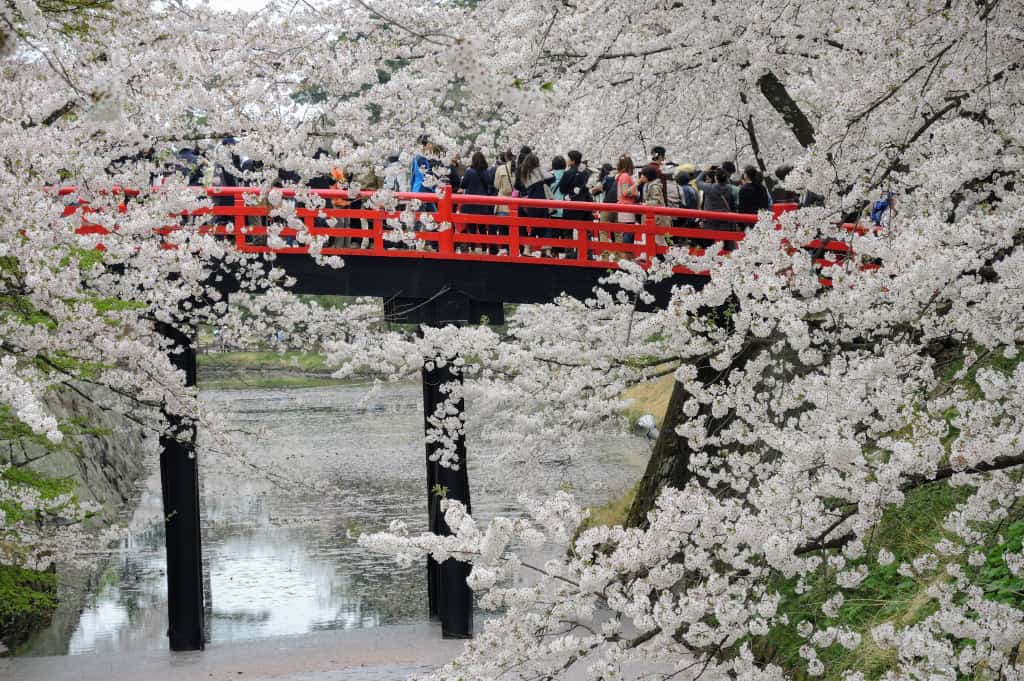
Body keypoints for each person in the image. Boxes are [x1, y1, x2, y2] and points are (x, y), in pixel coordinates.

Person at [458, 151, 495, 253]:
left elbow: (463, 185)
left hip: (470, 203)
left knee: (472, 227)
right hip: (482, 203)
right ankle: (484, 248)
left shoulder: (469, 171)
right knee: (482, 227)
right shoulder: (486, 172)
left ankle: (472, 247)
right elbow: (489, 183)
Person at [517, 153, 552, 256]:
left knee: (533, 226)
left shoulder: (525, 174)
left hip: (531, 204)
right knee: (546, 226)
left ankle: (527, 249)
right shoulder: (539, 171)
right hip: (543, 203)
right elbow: (551, 178)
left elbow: (519, 186)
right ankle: (547, 251)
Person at [637, 166, 670, 250]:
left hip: (656, 217)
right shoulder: (648, 185)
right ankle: (644, 254)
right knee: (647, 236)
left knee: (659, 239)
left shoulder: (654, 186)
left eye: (643, 175)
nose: (641, 177)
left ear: (648, 176)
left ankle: (667, 256)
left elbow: (656, 202)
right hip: (651, 216)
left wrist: (645, 204)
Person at [616, 155, 639, 246]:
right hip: (627, 208)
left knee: (627, 233)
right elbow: (625, 192)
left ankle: (626, 254)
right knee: (628, 234)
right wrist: (636, 191)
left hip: (624, 207)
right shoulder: (625, 176)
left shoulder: (621, 176)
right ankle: (626, 254)